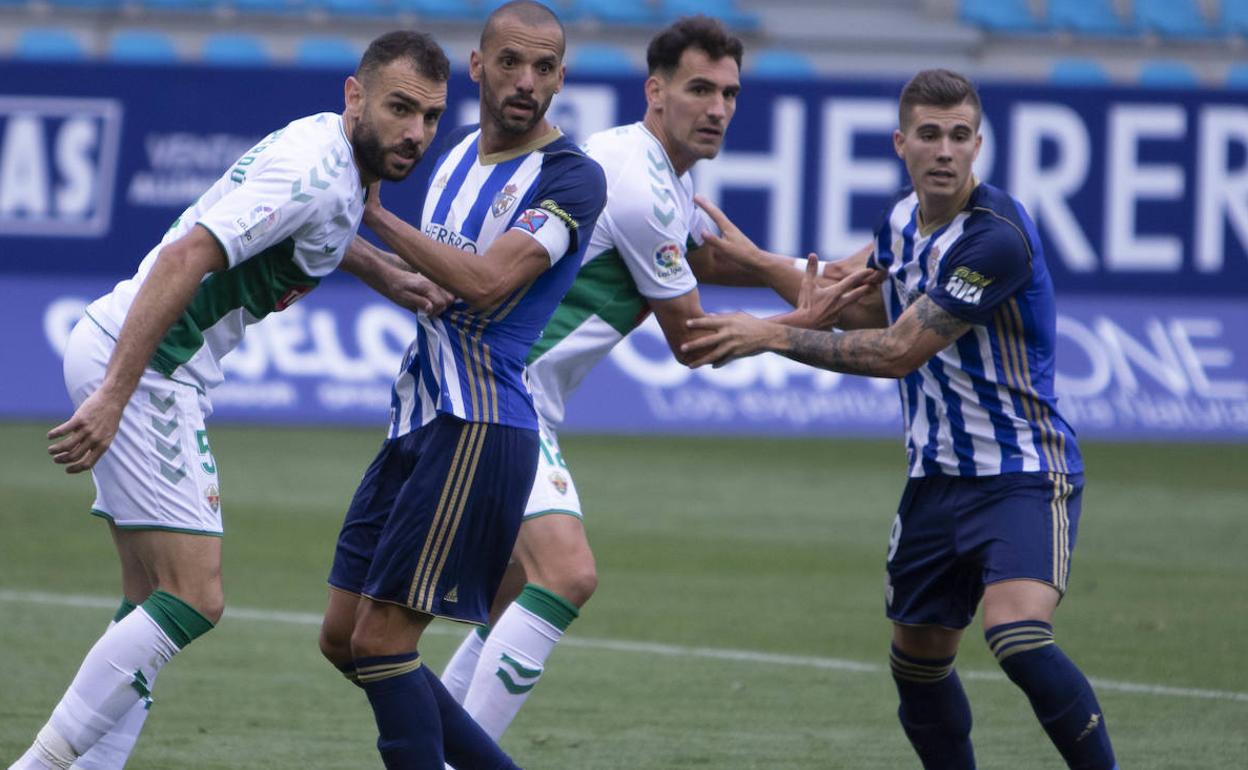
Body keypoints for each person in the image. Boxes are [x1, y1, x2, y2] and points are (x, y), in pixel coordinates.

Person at [8, 30, 453, 770]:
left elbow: (324, 231)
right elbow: (188, 255)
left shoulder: (341, 160)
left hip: (137, 358)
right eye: (401, 108)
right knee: (194, 598)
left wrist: (388, 275)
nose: (415, 132)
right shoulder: (312, 171)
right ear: (355, 95)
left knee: (148, 600)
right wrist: (118, 395)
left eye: (431, 116)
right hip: (148, 366)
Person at [681, 69, 1118, 770]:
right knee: (917, 666)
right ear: (900, 143)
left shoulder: (994, 239)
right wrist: (756, 260)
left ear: (979, 144)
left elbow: (897, 350)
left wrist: (771, 335)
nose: (944, 151)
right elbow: (854, 303)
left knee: (1018, 637)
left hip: (1022, 475)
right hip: (934, 482)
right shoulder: (900, 225)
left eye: (959, 136)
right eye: (929, 135)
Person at [436, 14, 831, 742]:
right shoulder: (641, 185)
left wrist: (784, 272)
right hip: (497, 391)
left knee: (516, 593)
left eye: (730, 93)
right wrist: (794, 323)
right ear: (656, 90)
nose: (717, 108)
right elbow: (691, 339)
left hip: (497, 393)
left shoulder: (641, 163)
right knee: (566, 574)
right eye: (699, 89)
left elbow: (698, 253)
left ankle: (435, 746)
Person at [315, 2, 607, 767]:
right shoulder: (455, 156)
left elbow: (483, 282)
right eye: (510, 62)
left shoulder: (571, 179)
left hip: (479, 427)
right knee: (345, 641)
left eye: (544, 68)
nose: (526, 81)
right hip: (416, 419)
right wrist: (342, 243)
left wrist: (372, 213)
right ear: (477, 67)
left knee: (382, 643)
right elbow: (429, 284)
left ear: (561, 79)